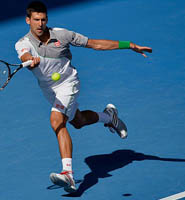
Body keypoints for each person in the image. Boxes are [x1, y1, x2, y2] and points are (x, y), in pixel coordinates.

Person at [15, 1, 152, 193]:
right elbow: (25, 56)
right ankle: (108, 116)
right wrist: (30, 60)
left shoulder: (62, 35)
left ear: (47, 20)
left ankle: (67, 174)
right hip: (49, 89)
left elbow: (95, 44)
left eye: (43, 19)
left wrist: (128, 45)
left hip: (68, 83)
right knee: (77, 121)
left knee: (56, 121)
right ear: (28, 20)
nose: (40, 24)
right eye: (36, 20)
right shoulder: (23, 43)